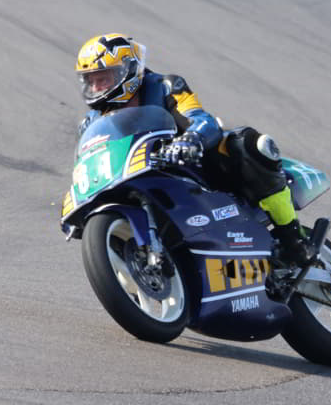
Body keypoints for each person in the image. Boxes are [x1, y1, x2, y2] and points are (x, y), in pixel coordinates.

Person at [73, 33, 311, 268]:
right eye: (90, 81)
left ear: (128, 70)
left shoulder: (165, 86)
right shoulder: (91, 123)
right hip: (136, 180)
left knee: (247, 143)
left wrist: (191, 139)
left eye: (103, 78)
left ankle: (293, 237)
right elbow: (87, 163)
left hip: (188, 165)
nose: (96, 87)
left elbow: (200, 118)